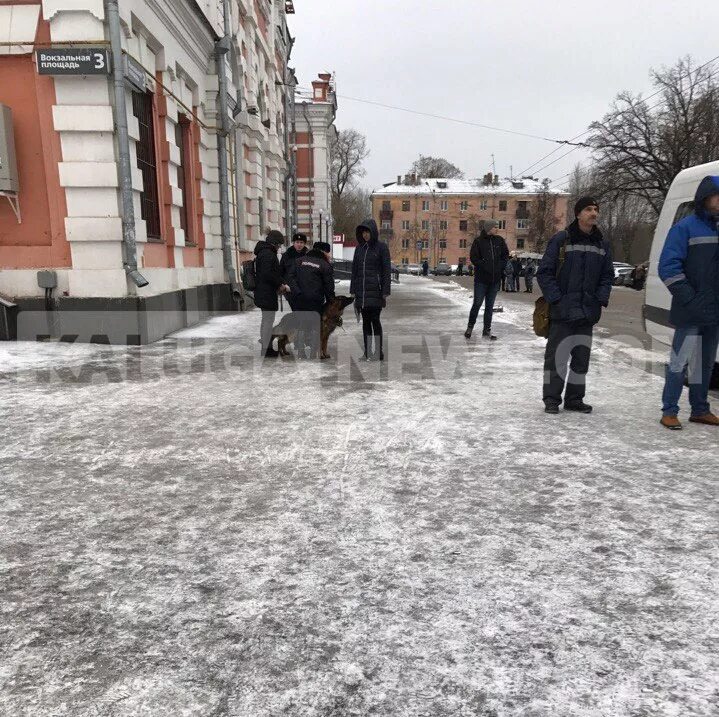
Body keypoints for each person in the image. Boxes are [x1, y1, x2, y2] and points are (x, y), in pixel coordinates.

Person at [537, 197, 614, 414]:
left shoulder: (602, 244)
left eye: (596, 209)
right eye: (589, 209)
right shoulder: (562, 239)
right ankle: (552, 399)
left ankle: (574, 399)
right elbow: (545, 272)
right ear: (578, 214)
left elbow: (607, 276)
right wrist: (557, 300)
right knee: (557, 358)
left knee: (581, 360)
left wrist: (600, 298)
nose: (594, 213)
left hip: (587, 312)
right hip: (562, 312)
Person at [657, 176, 719, 430]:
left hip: (714, 310)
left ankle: (700, 409)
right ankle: (669, 410)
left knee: (705, 364)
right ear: (706, 198)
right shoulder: (684, 228)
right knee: (679, 362)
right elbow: (668, 268)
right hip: (691, 309)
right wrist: (690, 299)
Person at [351, 218, 392, 360]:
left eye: (367, 232)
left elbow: (386, 270)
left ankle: (378, 352)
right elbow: (354, 271)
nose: (365, 235)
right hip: (361, 293)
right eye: (363, 232)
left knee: (375, 321)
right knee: (366, 323)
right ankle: (368, 352)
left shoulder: (381, 248)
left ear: (373, 232)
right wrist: (353, 290)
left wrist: (385, 290)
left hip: (376, 292)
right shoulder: (359, 249)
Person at [287, 241, 335, 359]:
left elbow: (290, 278)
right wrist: (331, 301)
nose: (329, 255)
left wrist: (297, 292)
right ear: (323, 252)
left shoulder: (299, 261)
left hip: (298, 299)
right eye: (328, 252)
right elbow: (329, 286)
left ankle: (301, 351)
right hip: (315, 300)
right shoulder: (324, 265)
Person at [464, 219, 509, 340]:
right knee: (477, 304)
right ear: (489, 228)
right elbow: (474, 257)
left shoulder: (499, 240)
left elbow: (505, 255)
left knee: (490, 306)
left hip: (495, 280)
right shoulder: (478, 241)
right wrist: (484, 265)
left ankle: (487, 330)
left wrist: (500, 266)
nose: (497, 229)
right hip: (481, 280)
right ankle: (470, 327)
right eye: (495, 227)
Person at [254, 229, 289, 358]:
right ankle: (266, 349)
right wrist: (280, 284)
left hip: (264, 292)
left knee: (266, 320)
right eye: (279, 244)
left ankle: (266, 346)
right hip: (266, 292)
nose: (279, 247)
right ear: (274, 243)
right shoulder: (268, 254)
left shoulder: (264, 252)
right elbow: (268, 274)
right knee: (268, 321)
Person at [280, 233, 308, 298]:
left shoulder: (308, 256)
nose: (299, 244)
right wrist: (285, 284)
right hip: (289, 289)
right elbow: (281, 272)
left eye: (301, 242)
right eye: (297, 242)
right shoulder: (286, 255)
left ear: (304, 244)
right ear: (293, 243)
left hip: (304, 288)